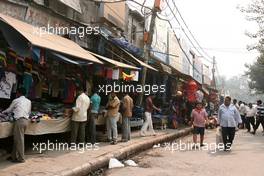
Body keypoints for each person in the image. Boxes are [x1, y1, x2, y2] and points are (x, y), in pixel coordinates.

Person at [3, 87, 31, 163]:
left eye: (17, 92)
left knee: (19, 140)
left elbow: (9, 110)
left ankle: (21, 158)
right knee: (17, 139)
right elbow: (29, 112)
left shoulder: (16, 100)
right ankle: (14, 156)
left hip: (20, 121)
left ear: (18, 93)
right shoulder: (29, 101)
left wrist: (2, 112)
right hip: (26, 121)